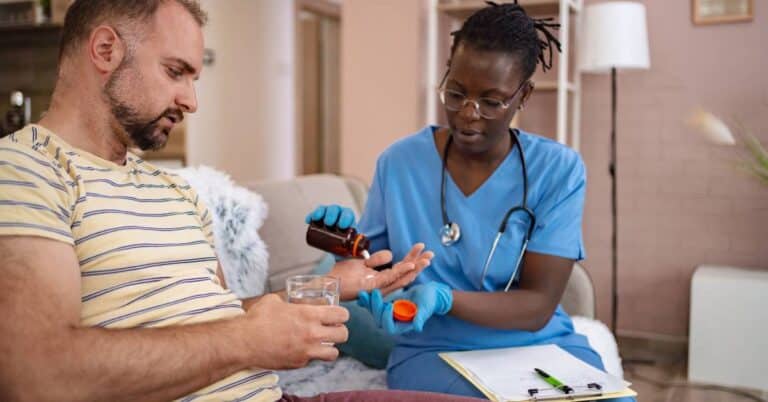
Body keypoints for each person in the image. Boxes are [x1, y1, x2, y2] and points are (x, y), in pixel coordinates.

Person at [0, 1, 489, 401]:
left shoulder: (173, 191)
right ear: (105, 49)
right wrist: (246, 341)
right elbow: (38, 376)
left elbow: (221, 313)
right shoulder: (24, 171)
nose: (192, 101)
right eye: (176, 72)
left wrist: (326, 286)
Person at [306, 3, 636, 401]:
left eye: (491, 101)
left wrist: (446, 298)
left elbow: (538, 307)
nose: (467, 114)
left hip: (538, 345)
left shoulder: (558, 170)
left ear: (523, 95)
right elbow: (374, 268)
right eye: (456, 92)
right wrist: (343, 240)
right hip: (434, 352)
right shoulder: (400, 163)